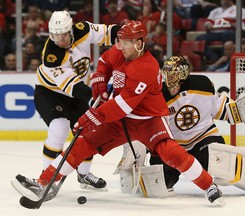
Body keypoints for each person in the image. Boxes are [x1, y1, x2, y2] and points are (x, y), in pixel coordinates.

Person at [11, 20, 224, 206]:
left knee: (172, 154)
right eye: (119, 40)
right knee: (82, 144)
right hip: (118, 121)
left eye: (125, 42)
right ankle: (43, 182)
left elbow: (123, 105)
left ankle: (208, 186)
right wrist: (99, 81)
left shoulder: (146, 67)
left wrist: (92, 116)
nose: (119, 46)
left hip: (148, 121)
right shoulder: (122, 50)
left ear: (139, 43)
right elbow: (104, 61)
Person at [11, 10, 120, 192]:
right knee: (59, 127)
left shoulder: (82, 29)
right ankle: (47, 178)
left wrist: (126, 35)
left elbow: (108, 33)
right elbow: (72, 86)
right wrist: (95, 96)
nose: (59, 39)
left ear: (70, 30)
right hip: (51, 93)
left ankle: (84, 175)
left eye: (63, 34)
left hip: (77, 94)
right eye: (55, 35)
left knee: (89, 133)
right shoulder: (51, 55)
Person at [148, 55, 245, 195]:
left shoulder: (202, 85)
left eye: (174, 77)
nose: (170, 83)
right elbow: (151, 125)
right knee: (157, 184)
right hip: (174, 146)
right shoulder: (158, 94)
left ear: (183, 75)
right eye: (167, 76)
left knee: (223, 162)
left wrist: (239, 112)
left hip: (203, 138)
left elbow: (221, 109)